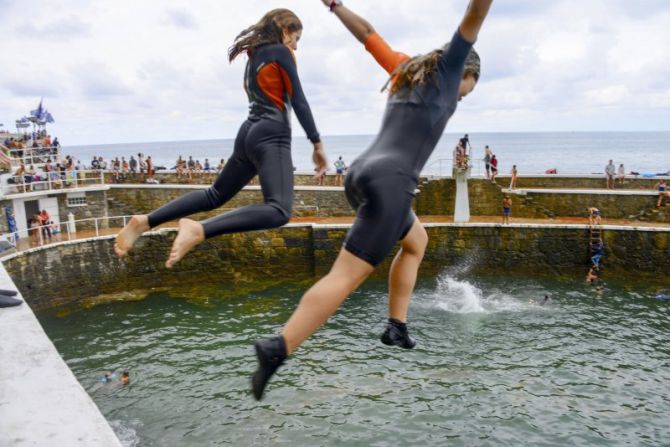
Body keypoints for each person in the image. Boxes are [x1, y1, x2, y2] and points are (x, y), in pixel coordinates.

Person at [251, 0, 492, 400]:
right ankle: (279, 347)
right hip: (393, 183)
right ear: (467, 71)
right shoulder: (451, 71)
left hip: (363, 175)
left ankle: (396, 326)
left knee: (417, 242)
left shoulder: (403, 69)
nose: (463, 97)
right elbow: (475, 15)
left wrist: (337, 6)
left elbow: (366, 35)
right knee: (344, 277)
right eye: (469, 89)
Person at [115, 9, 327, 269]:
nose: (296, 46)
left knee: (215, 194)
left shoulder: (254, 56)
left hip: (248, 133)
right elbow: (299, 99)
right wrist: (316, 143)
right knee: (279, 210)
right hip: (272, 135)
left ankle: (145, 221)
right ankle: (199, 229)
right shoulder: (281, 52)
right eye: (296, 39)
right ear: (284, 31)